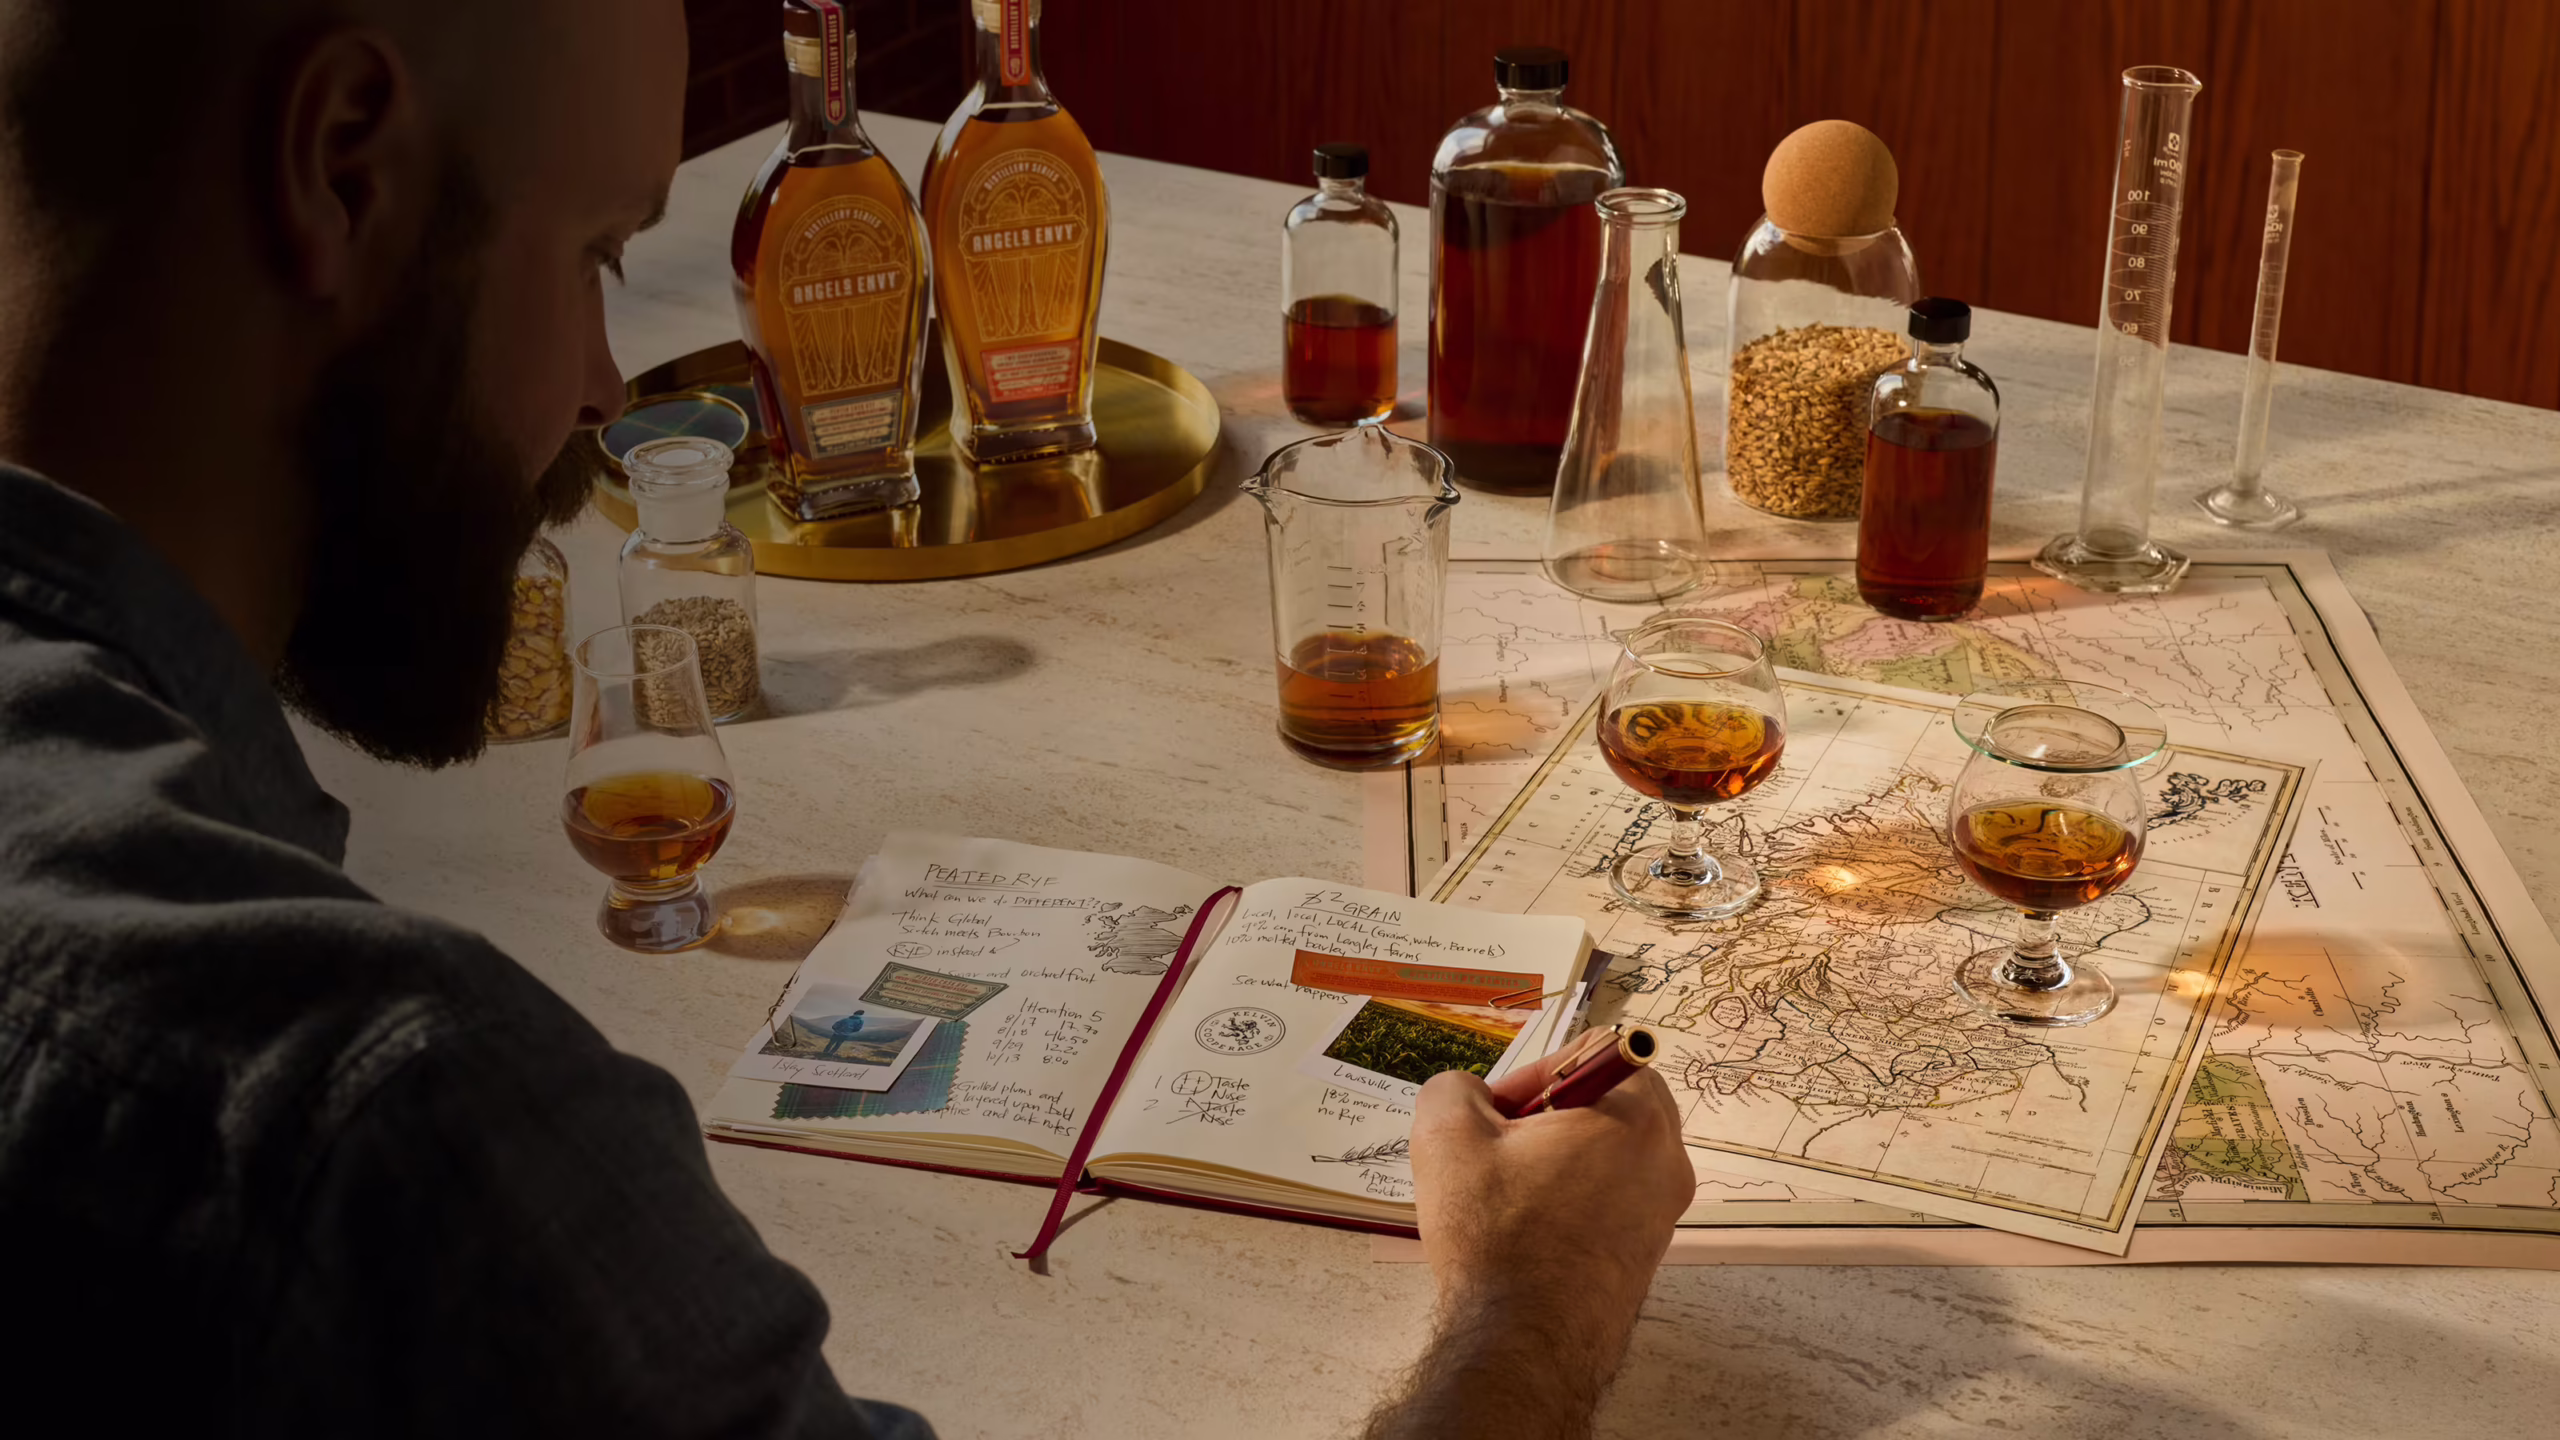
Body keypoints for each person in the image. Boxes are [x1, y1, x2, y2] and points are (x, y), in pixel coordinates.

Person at [0, 0, 1696, 1435]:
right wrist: (1538, 1298)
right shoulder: (391, 1119)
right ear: (341, 160)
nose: (601, 386)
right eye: (593, 256)